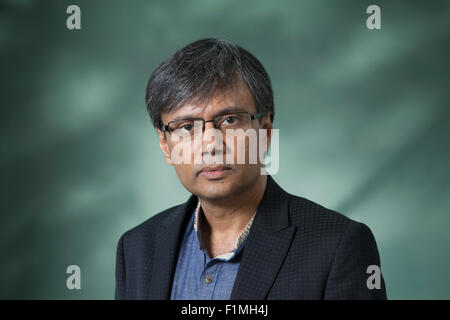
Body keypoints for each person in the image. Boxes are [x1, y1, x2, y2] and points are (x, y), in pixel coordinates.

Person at [115, 38, 387, 300]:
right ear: (165, 144)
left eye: (230, 120)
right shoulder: (137, 248)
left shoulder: (338, 246)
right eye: (187, 127)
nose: (211, 144)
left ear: (265, 132)